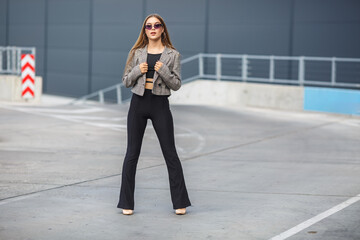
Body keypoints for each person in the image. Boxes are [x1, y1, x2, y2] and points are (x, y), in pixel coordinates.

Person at [117, 13, 192, 215]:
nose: (152, 28)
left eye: (157, 25)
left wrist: (165, 71)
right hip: (138, 104)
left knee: (170, 153)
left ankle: (180, 202)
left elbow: (176, 85)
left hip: (160, 105)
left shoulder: (172, 55)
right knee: (132, 154)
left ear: (162, 29)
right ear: (145, 30)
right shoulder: (136, 53)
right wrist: (137, 71)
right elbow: (126, 80)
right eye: (148, 26)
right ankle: (126, 203)